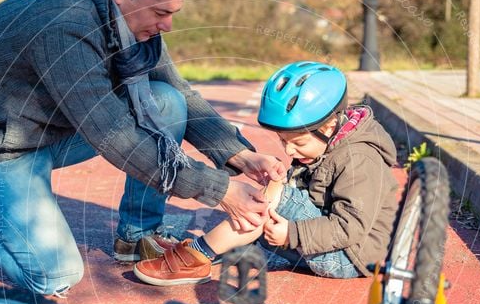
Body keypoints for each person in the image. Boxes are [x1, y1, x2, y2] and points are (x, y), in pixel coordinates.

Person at [0, 0, 284, 295]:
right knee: (55, 275)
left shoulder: (127, 8)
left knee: (166, 102)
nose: (168, 26)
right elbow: (115, 136)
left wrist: (237, 155)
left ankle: (138, 234)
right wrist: (220, 190)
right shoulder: (65, 28)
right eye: (161, 13)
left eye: (173, 13)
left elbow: (177, 89)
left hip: (44, 129)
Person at [134, 61, 400, 286]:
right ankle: (207, 250)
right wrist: (286, 179)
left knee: (273, 198)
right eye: (284, 141)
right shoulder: (328, 142)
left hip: (348, 257)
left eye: (298, 142)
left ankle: (198, 255)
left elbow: (350, 227)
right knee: (273, 192)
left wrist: (292, 233)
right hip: (328, 244)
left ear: (329, 126)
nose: (290, 151)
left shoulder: (359, 159)